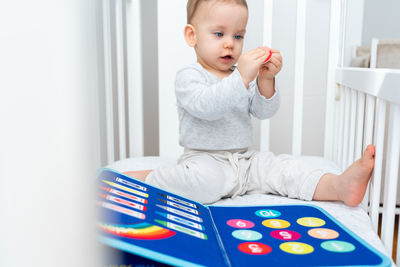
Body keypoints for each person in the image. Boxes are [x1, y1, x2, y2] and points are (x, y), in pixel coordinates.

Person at [125, 0, 375, 207]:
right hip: (205, 160)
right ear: (192, 35)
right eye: (219, 34)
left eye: (238, 35)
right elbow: (207, 107)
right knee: (203, 183)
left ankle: (338, 185)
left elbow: (263, 111)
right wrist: (242, 77)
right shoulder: (190, 76)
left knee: (284, 168)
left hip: (245, 160)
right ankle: (150, 178)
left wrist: (266, 79)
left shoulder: (239, 76)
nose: (230, 43)